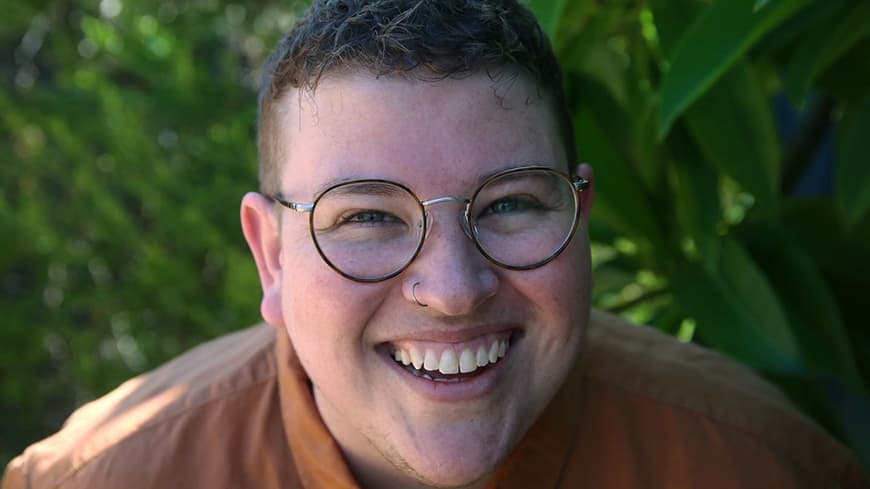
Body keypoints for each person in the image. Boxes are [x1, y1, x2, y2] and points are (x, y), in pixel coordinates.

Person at [3, 1, 867, 488]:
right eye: (368, 217)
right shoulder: (98, 482)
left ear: (582, 216)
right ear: (270, 255)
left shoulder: (758, 465)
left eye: (511, 206)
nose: (454, 288)